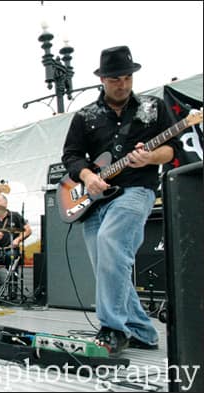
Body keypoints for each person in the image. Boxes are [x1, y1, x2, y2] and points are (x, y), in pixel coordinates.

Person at [61, 45, 181, 356]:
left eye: (127, 77)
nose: (123, 84)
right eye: (115, 79)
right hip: (95, 199)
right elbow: (71, 156)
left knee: (111, 242)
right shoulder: (85, 116)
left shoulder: (153, 108)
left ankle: (113, 328)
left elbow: (172, 149)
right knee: (107, 265)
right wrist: (88, 177)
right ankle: (142, 331)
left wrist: (150, 157)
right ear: (102, 79)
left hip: (136, 190)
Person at [0, 193, 32, 268]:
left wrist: (18, 240)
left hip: (11, 249)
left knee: (10, 255)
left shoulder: (14, 216)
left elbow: (28, 230)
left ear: (5, 204)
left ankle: (11, 279)